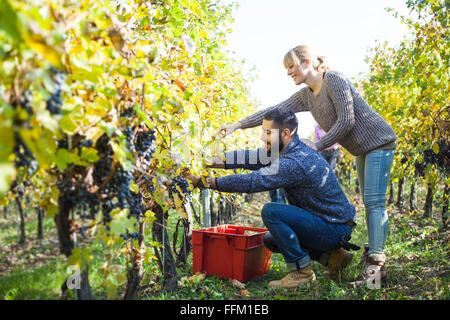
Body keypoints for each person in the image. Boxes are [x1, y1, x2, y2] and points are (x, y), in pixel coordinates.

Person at [214, 45, 396, 287]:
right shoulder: (306, 94)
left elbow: (347, 119)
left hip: (379, 142)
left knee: (374, 203)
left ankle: (375, 271)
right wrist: (237, 125)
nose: (289, 72)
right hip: (361, 149)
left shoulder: (334, 81)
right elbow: (273, 112)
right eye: (286, 68)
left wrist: (319, 145)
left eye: (291, 66)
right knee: (368, 202)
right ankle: (345, 259)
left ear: (308, 62)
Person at [187, 108, 356, 289]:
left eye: (267, 133)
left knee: (272, 211)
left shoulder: (294, 162)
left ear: (285, 134)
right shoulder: (287, 149)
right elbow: (248, 157)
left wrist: (207, 182)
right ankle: (334, 257)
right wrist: (206, 160)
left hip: (334, 227)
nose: (262, 137)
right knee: (270, 240)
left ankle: (302, 273)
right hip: (332, 222)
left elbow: (253, 181)